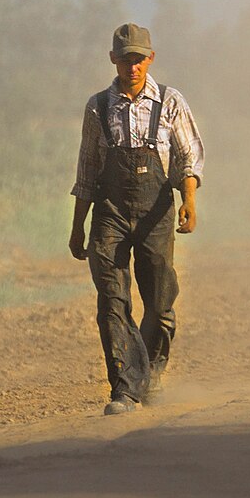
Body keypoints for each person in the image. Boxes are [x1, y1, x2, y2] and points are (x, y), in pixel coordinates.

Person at [69, 22, 205, 416]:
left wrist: (189, 202)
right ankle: (125, 389)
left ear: (151, 58)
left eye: (139, 59)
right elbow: (88, 169)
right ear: (113, 59)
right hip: (109, 214)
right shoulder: (98, 107)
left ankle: (151, 374)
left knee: (160, 302)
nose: (133, 67)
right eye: (126, 59)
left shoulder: (170, 101)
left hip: (157, 212)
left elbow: (188, 157)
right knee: (112, 301)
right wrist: (78, 226)